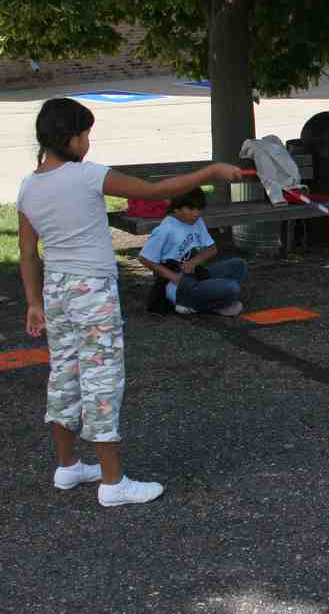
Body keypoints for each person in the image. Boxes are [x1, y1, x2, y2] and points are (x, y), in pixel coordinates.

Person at [17, 98, 242, 506]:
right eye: (85, 133)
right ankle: (112, 483)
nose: (88, 141)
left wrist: (33, 302)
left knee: (64, 376)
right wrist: (210, 172)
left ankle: (67, 467)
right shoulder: (87, 176)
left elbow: (29, 252)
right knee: (102, 380)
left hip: (56, 292)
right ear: (69, 137)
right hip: (92, 293)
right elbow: (157, 191)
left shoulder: (29, 186)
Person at [138, 187, 247, 316]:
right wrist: (174, 277)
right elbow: (144, 258)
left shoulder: (196, 221)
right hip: (177, 286)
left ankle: (210, 301)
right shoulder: (165, 229)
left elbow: (212, 249)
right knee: (232, 287)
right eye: (190, 209)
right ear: (176, 208)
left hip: (196, 276)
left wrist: (194, 262)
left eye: (199, 209)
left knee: (239, 265)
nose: (196, 213)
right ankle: (192, 304)